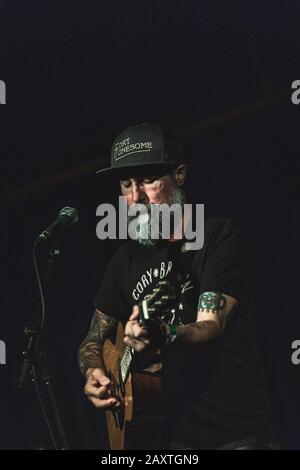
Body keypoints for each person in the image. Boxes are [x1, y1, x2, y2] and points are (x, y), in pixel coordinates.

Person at [78, 123, 278, 450]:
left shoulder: (217, 236)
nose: (135, 197)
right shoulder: (123, 260)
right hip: (165, 441)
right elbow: (92, 338)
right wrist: (95, 373)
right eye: (126, 184)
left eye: (147, 181)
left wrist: (164, 334)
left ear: (180, 175)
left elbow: (210, 326)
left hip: (235, 436)